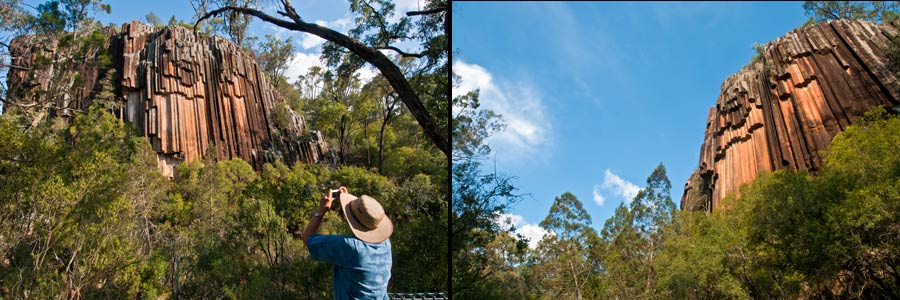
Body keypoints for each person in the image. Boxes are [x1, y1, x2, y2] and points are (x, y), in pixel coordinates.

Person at [302, 186, 393, 300]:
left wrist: (321, 210)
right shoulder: (385, 243)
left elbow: (308, 239)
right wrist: (348, 205)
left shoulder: (349, 248)